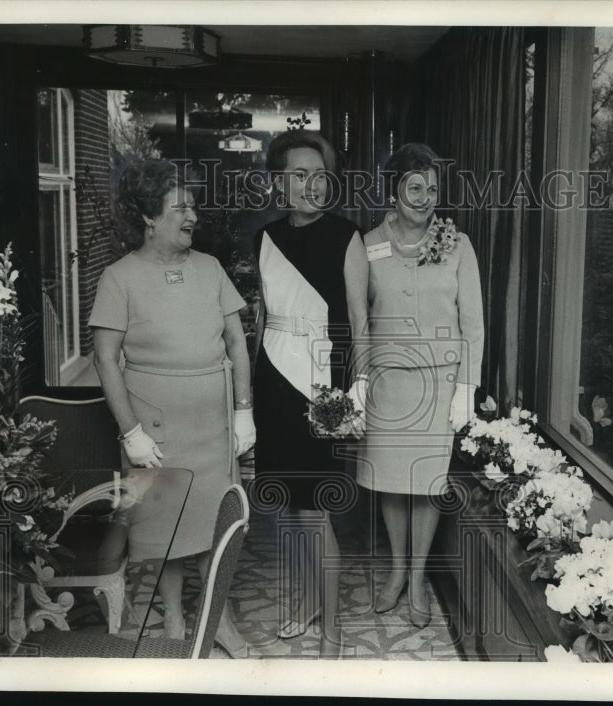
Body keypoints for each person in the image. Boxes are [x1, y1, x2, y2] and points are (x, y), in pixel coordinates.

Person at [89, 158, 256, 655]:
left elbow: (237, 342)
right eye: (179, 207)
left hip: (213, 426)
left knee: (216, 522)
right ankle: (176, 619)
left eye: (193, 206)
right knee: (167, 526)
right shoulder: (119, 278)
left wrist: (244, 411)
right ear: (148, 217)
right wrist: (129, 432)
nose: (192, 217)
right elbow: (104, 359)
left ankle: (218, 618)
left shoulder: (209, 268)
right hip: (155, 430)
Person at [356, 143, 484, 628]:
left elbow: (473, 322)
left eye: (432, 188)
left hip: (439, 385)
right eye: (415, 187)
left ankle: (416, 578)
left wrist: (466, 389)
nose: (426, 197)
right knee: (391, 482)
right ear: (395, 189)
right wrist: (360, 379)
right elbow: (360, 318)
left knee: (427, 485)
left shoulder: (458, 244)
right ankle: (394, 571)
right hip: (389, 382)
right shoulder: (368, 244)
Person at [252, 130, 368, 658]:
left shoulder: (348, 236)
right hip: (273, 380)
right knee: (288, 509)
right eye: (299, 175)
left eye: (319, 175)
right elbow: (259, 318)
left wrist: (359, 390)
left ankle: (333, 625)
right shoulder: (265, 237)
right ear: (279, 182)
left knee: (315, 508)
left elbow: (361, 323)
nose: (311, 185)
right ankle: (306, 603)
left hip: (323, 383)